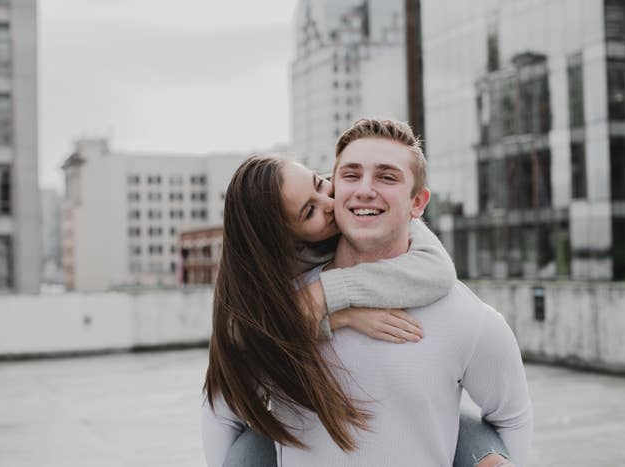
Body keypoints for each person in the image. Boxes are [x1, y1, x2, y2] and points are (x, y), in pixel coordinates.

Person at [203, 121, 527, 465]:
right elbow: (223, 410)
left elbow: (512, 417)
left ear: (417, 203)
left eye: (387, 177)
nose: (364, 191)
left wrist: (328, 295)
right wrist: (337, 317)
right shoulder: (276, 311)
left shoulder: (466, 317)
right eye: (351, 175)